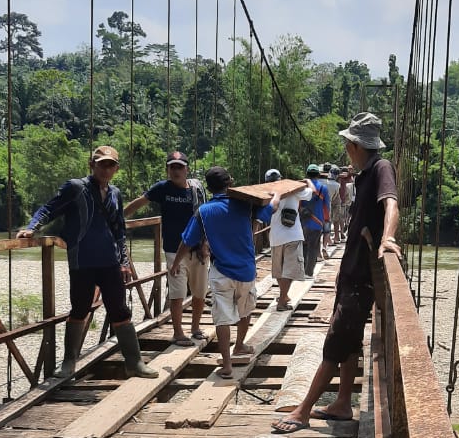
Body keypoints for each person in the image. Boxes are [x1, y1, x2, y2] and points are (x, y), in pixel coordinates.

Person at [273, 113, 402, 434]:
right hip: (351, 272)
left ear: (356, 146)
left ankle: (302, 411)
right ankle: (343, 402)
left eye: (347, 144)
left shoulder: (381, 168)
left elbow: (391, 204)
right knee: (350, 340)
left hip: (361, 278)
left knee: (334, 342)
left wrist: (388, 238)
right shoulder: (363, 175)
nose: (346, 149)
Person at [17, 146, 157, 380]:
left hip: (109, 262)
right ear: (91, 165)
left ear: (116, 168)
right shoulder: (76, 188)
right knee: (80, 309)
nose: (106, 169)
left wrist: (124, 261)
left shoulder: (115, 193)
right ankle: (69, 363)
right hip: (82, 261)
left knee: (120, 310)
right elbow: (50, 208)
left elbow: (119, 230)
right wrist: (32, 228)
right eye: (101, 164)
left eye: (110, 165)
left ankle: (134, 363)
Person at [171, 166, 272, 379]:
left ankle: (226, 365)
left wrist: (175, 263)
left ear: (208, 188)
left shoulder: (204, 211)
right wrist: (277, 197)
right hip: (246, 270)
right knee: (245, 310)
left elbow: (187, 241)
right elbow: (269, 211)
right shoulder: (245, 204)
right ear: (231, 183)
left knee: (222, 318)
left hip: (221, 272)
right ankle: (240, 345)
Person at [124, 151, 209, 345]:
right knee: (177, 292)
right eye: (172, 167)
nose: (176, 171)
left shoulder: (196, 189)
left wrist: (207, 243)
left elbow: (205, 217)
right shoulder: (162, 188)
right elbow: (141, 201)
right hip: (173, 249)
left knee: (200, 291)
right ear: (167, 169)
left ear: (187, 169)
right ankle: (178, 333)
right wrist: (119, 217)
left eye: (180, 167)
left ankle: (195, 328)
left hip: (197, 248)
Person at [264, 168, 312, 312]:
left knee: (279, 271)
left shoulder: (264, 192)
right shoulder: (293, 189)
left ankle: (283, 296)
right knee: (289, 271)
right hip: (293, 234)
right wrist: (308, 181)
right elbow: (311, 193)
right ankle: (282, 300)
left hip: (275, 236)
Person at [301, 163, 329, 276]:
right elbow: (326, 206)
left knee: (303, 246)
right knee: (313, 247)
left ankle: (302, 270)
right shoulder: (323, 188)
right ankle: (309, 272)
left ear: (307, 174)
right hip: (317, 222)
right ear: (318, 175)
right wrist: (326, 220)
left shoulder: (303, 186)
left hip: (303, 222)